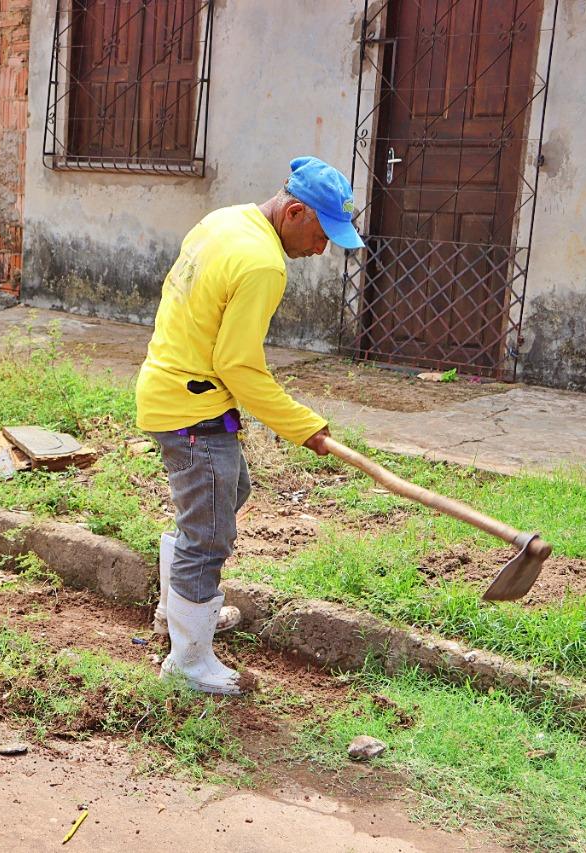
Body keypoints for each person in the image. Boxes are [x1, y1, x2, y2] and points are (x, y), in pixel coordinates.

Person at [137, 156, 365, 695]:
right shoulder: (263, 263)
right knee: (209, 532)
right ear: (294, 211)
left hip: (172, 388)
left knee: (230, 490)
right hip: (193, 408)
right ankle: (189, 662)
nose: (322, 248)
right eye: (321, 233)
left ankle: (177, 610)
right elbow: (237, 364)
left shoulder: (226, 219)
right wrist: (304, 426)